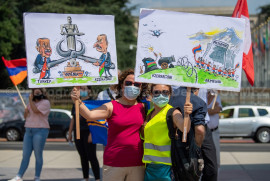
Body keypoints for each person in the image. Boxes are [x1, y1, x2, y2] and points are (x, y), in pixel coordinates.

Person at [71, 69, 148, 181]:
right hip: (114, 163)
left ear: (141, 88)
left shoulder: (144, 107)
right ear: (122, 86)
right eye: (128, 83)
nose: (132, 86)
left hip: (137, 164)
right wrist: (77, 101)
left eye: (137, 84)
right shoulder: (111, 106)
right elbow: (89, 115)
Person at [142, 84, 193, 181]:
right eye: (157, 92)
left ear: (170, 95)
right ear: (151, 94)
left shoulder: (173, 112)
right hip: (149, 166)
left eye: (165, 92)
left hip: (166, 168)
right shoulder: (149, 113)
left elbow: (184, 128)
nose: (161, 95)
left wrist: (187, 115)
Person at [170, 87, 218, 181]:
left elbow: (207, 102)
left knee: (185, 167)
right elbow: (199, 130)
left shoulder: (205, 83)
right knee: (189, 167)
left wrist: (213, 93)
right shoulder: (178, 87)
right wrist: (197, 148)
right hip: (187, 126)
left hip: (197, 125)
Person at [8, 88, 50, 181]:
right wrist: (26, 111)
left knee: (38, 154)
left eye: (38, 92)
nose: (36, 94)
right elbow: (25, 116)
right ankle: (19, 176)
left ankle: (37, 177)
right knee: (25, 154)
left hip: (40, 130)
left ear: (43, 93)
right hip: (28, 130)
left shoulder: (45, 103)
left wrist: (30, 101)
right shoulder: (31, 103)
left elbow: (36, 111)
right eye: (35, 93)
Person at [68, 86, 100, 181]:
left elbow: (96, 119)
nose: (82, 90)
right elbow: (73, 118)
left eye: (84, 88)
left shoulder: (92, 102)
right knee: (83, 156)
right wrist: (70, 133)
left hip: (88, 132)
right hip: (78, 132)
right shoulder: (75, 102)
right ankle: (85, 178)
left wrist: (92, 133)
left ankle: (97, 178)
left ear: (89, 90)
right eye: (81, 88)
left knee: (92, 156)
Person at [207, 90, 222, 174]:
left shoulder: (216, 94)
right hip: (203, 132)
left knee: (216, 159)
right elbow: (198, 110)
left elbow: (218, 109)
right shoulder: (200, 94)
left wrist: (206, 110)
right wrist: (210, 109)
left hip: (214, 132)